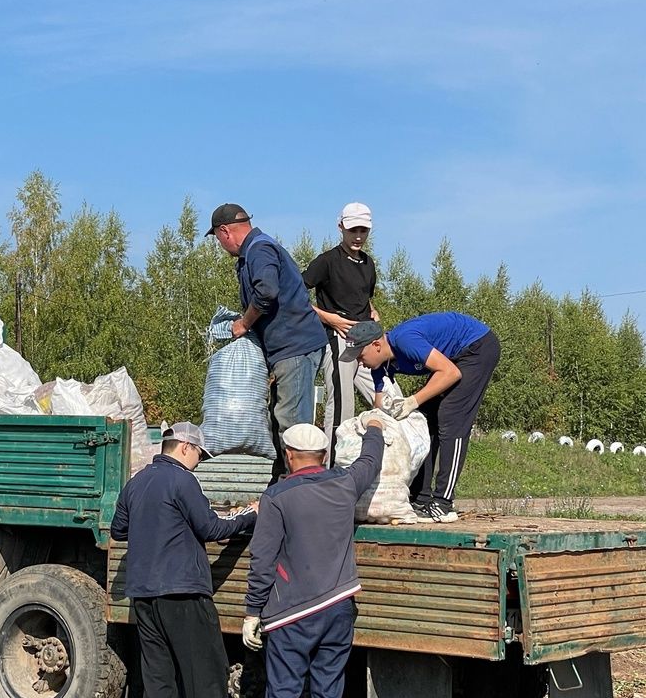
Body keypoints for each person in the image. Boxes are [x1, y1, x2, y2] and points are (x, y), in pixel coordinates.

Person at [110, 422, 257, 698]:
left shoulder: (136, 483)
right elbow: (211, 528)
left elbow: (118, 529)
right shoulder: (182, 481)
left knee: (159, 684)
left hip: (145, 598)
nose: (200, 463)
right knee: (206, 679)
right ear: (186, 448)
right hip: (184, 594)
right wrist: (251, 513)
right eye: (200, 456)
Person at [241, 421, 384, 698]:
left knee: (284, 697)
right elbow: (371, 460)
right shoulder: (346, 483)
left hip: (291, 615)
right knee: (327, 694)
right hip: (339, 609)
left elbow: (263, 558)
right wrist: (375, 429)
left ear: (289, 456)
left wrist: (252, 612)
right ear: (324, 455)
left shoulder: (276, 497)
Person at [340, 312, 501, 523]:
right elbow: (378, 403)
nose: (360, 363)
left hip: (477, 348)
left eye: (360, 355)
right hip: (453, 359)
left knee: (451, 418)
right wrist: (383, 418)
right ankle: (421, 498)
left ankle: (443, 504)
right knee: (425, 419)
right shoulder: (380, 366)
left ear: (376, 345)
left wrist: (411, 401)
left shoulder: (405, 341)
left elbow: (451, 373)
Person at [207, 203, 327, 477]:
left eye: (217, 240)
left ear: (224, 232)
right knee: (278, 420)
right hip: (284, 350)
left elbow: (267, 293)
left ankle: (299, 490)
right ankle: (280, 484)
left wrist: (243, 324)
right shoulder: (253, 253)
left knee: (292, 423)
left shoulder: (259, 249)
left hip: (295, 347)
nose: (221, 246)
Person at [302, 202, 387, 464]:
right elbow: (294, 294)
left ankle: (385, 469)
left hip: (367, 341)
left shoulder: (368, 264)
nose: (358, 236)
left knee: (390, 400)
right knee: (342, 407)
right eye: (353, 230)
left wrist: (373, 311)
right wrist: (329, 318)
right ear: (341, 228)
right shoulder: (327, 261)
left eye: (363, 230)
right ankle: (331, 472)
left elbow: (364, 297)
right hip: (338, 339)